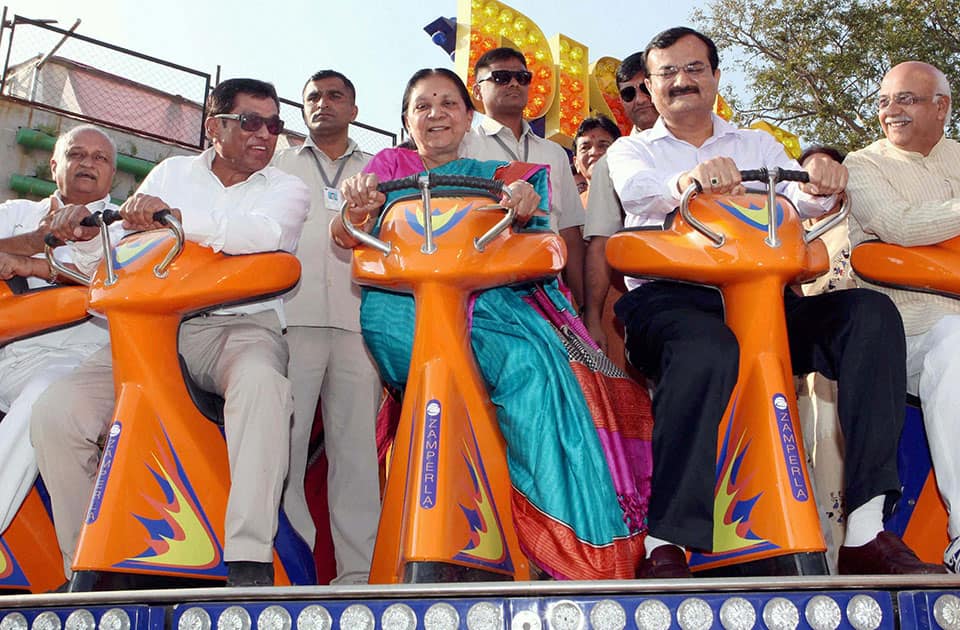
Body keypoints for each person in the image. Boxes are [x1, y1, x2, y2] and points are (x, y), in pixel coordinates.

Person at [606, 27, 945, 577]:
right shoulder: (631, 150)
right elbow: (641, 192)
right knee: (705, 350)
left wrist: (824, 178)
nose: (682, 81)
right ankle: (666, 542)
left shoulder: (757, 147)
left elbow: (802, 197)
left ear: (716, 77)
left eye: (694, 68)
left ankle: (865, 530)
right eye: (667, 72)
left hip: (766, 300)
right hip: (674, 302)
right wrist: (689, 180)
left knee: (869, 316)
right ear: (650, 85)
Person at [332, 67, 644, 580]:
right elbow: (344, 237)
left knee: (537, 369)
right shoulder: (384, 169)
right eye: (423, 105)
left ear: (468, 114)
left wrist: (525, 208)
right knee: (439, 363)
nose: (436, 114)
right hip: (403, 311)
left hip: (489, 310)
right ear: (407, 120)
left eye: (448, 104)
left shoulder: (498, 174)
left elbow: (542, 243)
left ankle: (552, 545)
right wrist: (358, 212)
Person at [32, 78, 309, 587]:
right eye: (251, 122)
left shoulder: (287, 186)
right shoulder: (171, 172)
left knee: (264, 386)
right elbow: (114, 260)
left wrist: (174, 218)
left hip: (242, 328)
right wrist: (91, 235)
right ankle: (89, 563)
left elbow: (267, 236)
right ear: (215, 128)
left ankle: (249, 559)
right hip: (155, 329)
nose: (266, 135)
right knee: (55, 413)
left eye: (274, 124)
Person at [845, 61, 960, 574]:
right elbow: (897, 225)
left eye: (907, 99)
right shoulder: (865, 165)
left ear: (942, 107)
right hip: (906, 338)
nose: (892, 111)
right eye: (885, 100)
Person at [271, 69, 381, 584]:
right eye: (313, 96)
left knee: (356, 453)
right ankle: (295, 571)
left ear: (354, 109)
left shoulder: (379, 167)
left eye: (336, 95)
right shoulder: (276, 162)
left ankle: (359, 575)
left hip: (359, 321)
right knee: (286, 454)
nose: (323, 104)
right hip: (292, 317)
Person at [0, 125, 114, 534]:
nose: (87, 163)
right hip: (9, 356)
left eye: (99, 158)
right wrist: (40, 237)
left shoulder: (125, 224)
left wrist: (38, 261)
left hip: (81, 362)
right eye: (76, 154)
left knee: (44, 396)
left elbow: (114, 282)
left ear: (113, 175)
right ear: (53, 166)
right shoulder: (16, 214)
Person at [462, 47, 587, 308]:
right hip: (484, 295)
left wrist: (585, 308)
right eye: (501, 77)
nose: (514, 83)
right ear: (476, 91)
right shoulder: (463, 147)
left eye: (523, 77)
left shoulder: (554, 152)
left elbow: (569, 233)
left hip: (549, 290)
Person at [582, 52, 660, 355]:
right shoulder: (613, 162)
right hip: (657, 307)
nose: (639, 99)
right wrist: (593, 318)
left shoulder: (711, 142)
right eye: (629, 93)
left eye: (645, 88)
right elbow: (600, 246)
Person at [573, 114, 621, 207]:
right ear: (576, 163)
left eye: (603, 145)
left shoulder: (634, 198)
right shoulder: (573, 208)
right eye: (585, 147)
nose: (594, 152)